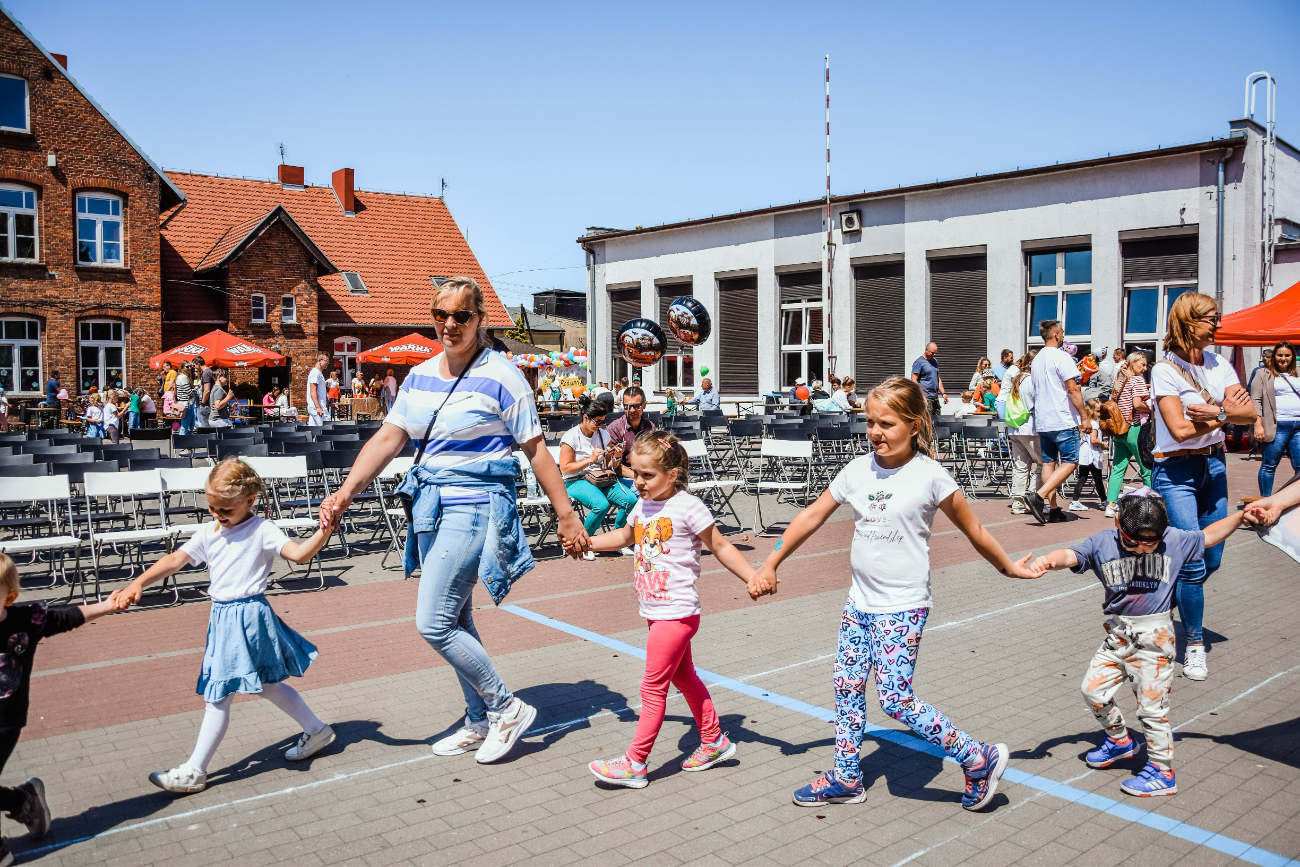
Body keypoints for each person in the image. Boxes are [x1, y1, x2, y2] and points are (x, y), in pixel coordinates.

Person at [316, 276, 589, 765]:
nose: (450, 324)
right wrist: (345, 491)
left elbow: (536, 450)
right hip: (433, 505)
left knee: (433, 621)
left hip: (477, 504)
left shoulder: (503, 375)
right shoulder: (419, 376)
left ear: (480, 320)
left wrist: (565, 515)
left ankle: (506, 708)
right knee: (456, 616)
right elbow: (387, 440)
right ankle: (479, 718)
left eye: (462, 315)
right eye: (441, 315)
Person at [757, 377, 1040, 810]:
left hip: (903, 607)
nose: (875, 432)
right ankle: (847, 777)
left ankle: (976, 757)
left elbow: (975, 529)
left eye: (886, 423)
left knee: (894, 698)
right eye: (870, 422)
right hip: (860, 603)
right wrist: (772, 561)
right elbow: (811, 515)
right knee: (847, 685)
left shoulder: (930, 476)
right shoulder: (856, 470)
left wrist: (1009, 567)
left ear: (913, 424)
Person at [112, 460, 336, 794]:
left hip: (247, 616)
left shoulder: (262, 529)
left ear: (250, 500)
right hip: (224, 616)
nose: (218, 514)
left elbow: (299, 554)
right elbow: (177, 559)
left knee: (219, 695)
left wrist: (325, 529)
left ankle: (194, 771)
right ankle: (316, 729)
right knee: (267, 685)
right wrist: (139, 582)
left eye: (225, 509)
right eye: (213, 507)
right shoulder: (209, 530)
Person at [1028, 490, 1243, 797]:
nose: (1142, 547)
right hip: (1118, 636)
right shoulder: (1103, 542)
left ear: (1163, 530)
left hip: (1155, 640)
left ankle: (1162, 772)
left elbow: (1208, 536)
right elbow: (1072, 555)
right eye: (1133, 541)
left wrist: (1242, 516)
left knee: (1152, 711)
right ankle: (1120, 741)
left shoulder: (1176, 539)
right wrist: (1048, 560)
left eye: (1151, 542)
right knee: (1093, 691)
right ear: (1118, 523)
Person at [586, 432, 768, 788]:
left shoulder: (689, 506)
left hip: (677, 611)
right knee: (684, 678)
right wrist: (588, 542)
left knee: (653, 688)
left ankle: (635, 763)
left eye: (647, 475)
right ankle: (714, 741)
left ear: (672, 475)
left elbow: (720, 546)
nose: (638, 482)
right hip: (656, 611)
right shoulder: (642, 506)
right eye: (635, 473)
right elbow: (625, 537)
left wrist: (752, 576)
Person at [1150, 293, 1254, 682]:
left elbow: (1249, 413)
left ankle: (1166, 597)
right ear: (1188, 322)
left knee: (1212, 559)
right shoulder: (1164, 370)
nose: (1217, 325)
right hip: (1175, 472)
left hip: (1214, 465)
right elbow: (1177, 430)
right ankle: (1193, 644)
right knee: (1194, 561)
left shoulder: (1219, 363)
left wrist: (1216, 413)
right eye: (1211, 319)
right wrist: (1224, 415)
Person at [0, 554, 115, 859]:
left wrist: (108, 605)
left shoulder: (25, 621)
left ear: (8, 596)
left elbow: (68, 617)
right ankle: (22, 801)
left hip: (5, 721)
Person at [560, 394, 637, 559]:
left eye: (603, 421)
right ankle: (582, 543)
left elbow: (611, 466)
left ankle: (619, 540)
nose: (601, 425)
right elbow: (565, 469)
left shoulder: (603, 435)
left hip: (600, 478)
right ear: (586, 418)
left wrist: (616, 456)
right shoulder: (571, 437)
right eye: (598, 422)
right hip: (576, 480)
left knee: (630, 500)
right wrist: (590, 460)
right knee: (600, 505)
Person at [1025, 320, 1086, 525]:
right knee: (1070, 461)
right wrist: (1084, 417)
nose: (1063, 336)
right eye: (1062, 333)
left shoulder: (1037, 359)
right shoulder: (1062, 357)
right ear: (1056, 334)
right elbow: (1073, 389)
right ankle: (1038, 496)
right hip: (1062, 418)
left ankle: (1053, 509)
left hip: (1043, 419)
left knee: (1048, 463)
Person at [1106, 352, 1153, 517]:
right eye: (1142, 364)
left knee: (1118, 468)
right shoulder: (1138, 380)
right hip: (1135, 428)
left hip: (1119, 429)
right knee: (1147, 466)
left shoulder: (1119, 379)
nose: (1145, 368)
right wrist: (1152, 408)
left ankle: (1110, 504)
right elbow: (1137, 404)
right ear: (1132, 363)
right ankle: (1151, 503)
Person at [1251, 341, 1300, 496]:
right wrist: (1258, 425)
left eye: (1287, 355)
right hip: (1277, 425)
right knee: (1269, 465)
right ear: (1274, 356)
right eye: (1280, 355)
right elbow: (1255, 400)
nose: (1283, 358)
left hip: (1298, 425)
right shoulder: (1262, 373)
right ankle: (1266, 500)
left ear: (1293, 356)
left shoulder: (1298, 373)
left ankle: (1292, 500)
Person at [1004, 354, 1041, 515]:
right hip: (1030, 428)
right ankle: (1032, 498)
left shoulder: (1017, 380)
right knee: (1043, 463)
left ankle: (1018, 502)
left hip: (1015, 427)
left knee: (1020, 466)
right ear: (1032, 363)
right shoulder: (1032, 381)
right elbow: (1037, 404)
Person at [607, 386, 656, 488]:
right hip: (624, 477)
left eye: (636, 406)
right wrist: (637, 477)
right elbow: (612, 466)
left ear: (644, 405)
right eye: (627, 406)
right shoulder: (614, 429)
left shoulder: (650, 427)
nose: (631, 410)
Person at [1068, 398, 1106, 512]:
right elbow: (1094, 440)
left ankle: (1075, 500)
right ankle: (1104, 501)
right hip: (1091, 455)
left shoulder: (1086, 423)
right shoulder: (1094, 424)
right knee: (1098, 479)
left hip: (1085, 453)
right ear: (1091, 411)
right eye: (1098, 411)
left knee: (1083, 477)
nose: (1100, 414)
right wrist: (1104, 444)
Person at [910, 342, 947, 416]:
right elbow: (914, 380)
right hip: (926, 398)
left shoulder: (934, 361)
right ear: (926, 350)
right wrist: (921, 396)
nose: (934, 355)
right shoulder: (919, 362)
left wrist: (943, 393)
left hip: (935, 397)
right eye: (932, 353)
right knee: (927, 422)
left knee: (937, 421)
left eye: (935, 353)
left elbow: (937, 377)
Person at [306, 353, 330, 426]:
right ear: (320, 360)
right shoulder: (316, 373)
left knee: (313, 431)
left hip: (316, 407)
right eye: (326, 361)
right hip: (318, 408)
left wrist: (328, 403)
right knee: (327, 427)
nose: (328, 363)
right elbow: (313, 390)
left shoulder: (318, 373)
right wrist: (318, 407)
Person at [175, 364, 196, 435]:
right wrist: (197, 388)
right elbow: (189, 392)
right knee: (185, 426)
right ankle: (182, 444)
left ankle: (187, 443)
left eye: (190, 366)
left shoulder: (180, 376)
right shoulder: (183, 377)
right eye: (187, 367)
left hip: (186, 403)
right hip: (186, 404)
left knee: (190, 425)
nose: (189, 368)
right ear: (182, 368)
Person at [194, 358, 215, 430]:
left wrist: (202, 402)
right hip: (209, 403)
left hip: (206, 405)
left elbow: (207, 390)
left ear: (198, 364)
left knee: (207, 428)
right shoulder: (209, 371)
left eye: (194, 365)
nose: (194, 367)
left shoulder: (206, 373)